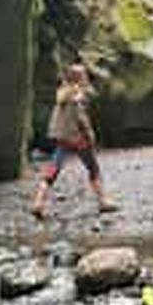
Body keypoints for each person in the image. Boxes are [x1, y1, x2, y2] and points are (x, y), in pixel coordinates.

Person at [31, 62, 116, 219]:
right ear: (80, 78)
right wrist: (90, 134)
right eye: (84, 76)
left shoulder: (62, 91)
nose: (86, 78)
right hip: (78, 138)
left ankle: (38, 203)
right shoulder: (78, 95)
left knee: (52, 170)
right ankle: (103, 202)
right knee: (93, 168)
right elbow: (80, 117)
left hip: (63, 138)